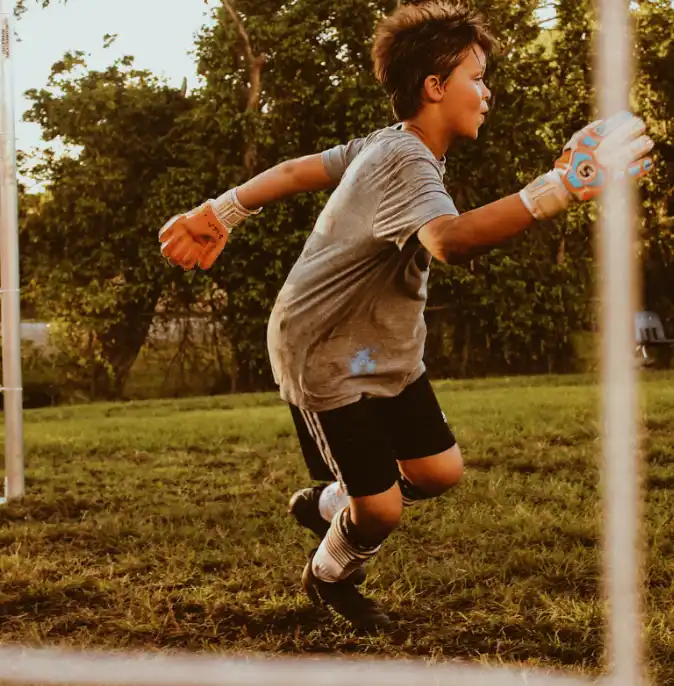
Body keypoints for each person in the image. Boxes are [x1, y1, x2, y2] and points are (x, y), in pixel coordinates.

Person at [158, 1, 654, 631]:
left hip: (379, 351)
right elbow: (448, 241)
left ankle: (332, 501)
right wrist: (558, 188)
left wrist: (221, 211)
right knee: (383, 511)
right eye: (476, 77)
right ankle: (330, 573)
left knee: (439, 471)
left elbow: (293, 171)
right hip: (328, 355)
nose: (487, 92)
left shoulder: (386, 144)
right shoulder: (405, 159)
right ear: (435, 87)